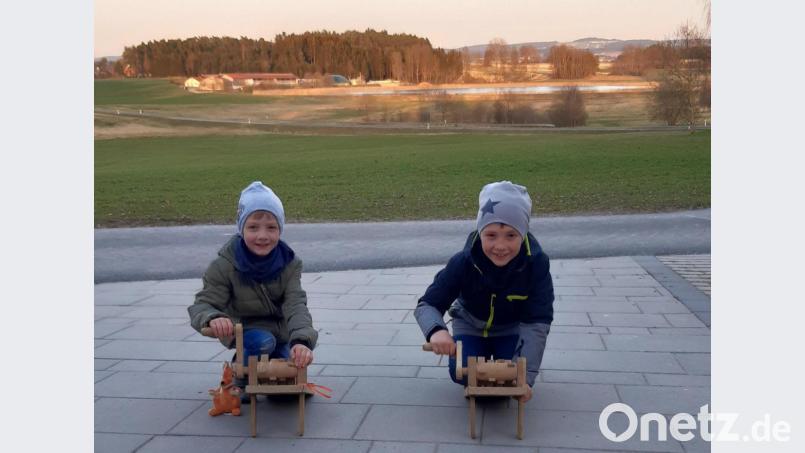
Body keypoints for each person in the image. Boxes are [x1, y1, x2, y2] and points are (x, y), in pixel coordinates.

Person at [414, 181, 554, 402]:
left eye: (511, 235)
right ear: (480, 233)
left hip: (510, 329)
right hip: (470, 324)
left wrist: (524, 379)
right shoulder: (463, 262)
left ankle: (505, 373)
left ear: (524, 234)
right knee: (461, 372)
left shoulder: (536, 264)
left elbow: (538, 321)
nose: (500, 246)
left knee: (509, 377)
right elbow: (427, 305)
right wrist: (436, 331)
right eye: (491, 235)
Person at [188, 181, 317, 401]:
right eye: (253, 227)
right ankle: (240, 376)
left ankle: (270, 374)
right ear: (241, 228)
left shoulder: (290, 264)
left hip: (281, 333)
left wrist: (301, 341)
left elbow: (296, 304)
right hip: (248, 331)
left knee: (286, 386)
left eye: (271, 227)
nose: (262, 235)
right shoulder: (225, 265)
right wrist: (213, 318)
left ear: (280, 229)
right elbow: (203, 304)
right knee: (263, 342)